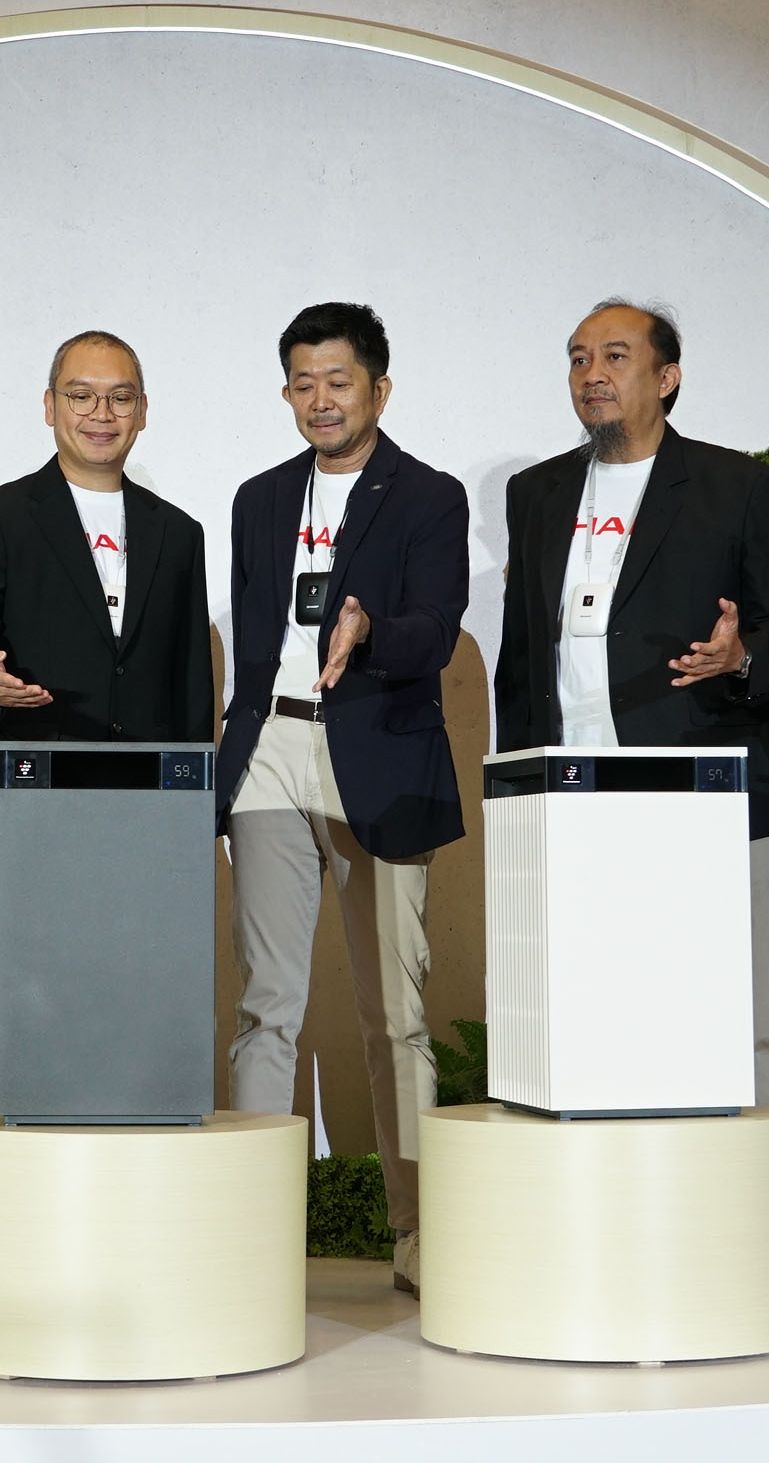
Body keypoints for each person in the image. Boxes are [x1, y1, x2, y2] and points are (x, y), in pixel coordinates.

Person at [493, 298, 769, 1105]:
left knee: (738, 1002)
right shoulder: (538, 493)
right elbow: (522, 650)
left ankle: (756, 1189)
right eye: (576, 358)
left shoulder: (737, 485)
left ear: (667, 378)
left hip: (702, 783)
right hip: (571, 792)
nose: (591, 375)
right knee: (592, 998)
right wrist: (517, 786)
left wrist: (741, 656)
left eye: (614, 356)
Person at [216, 302, 469, 1295]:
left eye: (338, 380)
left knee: (392, 1009)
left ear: (377, 387)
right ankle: (252, 1230)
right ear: (287, 391)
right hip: (270, 749)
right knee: (266, 1004)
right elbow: (246, 644)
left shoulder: (425, 496)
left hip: (377, 751)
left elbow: (435, 631)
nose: (320, 398)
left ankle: (413, 1231)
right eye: (302, 382)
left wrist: (366, 629)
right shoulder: (256, 497)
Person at [0, 330, 214, 1118]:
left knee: (137, 1018)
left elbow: (192, 683)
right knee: (12, 1021)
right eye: (82, 395)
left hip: (146, 823)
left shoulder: (177, 533)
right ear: (50, 405)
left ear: (144, 411)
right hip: (24, 806)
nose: (101, 412)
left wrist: (200, 817)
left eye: (120, 397)